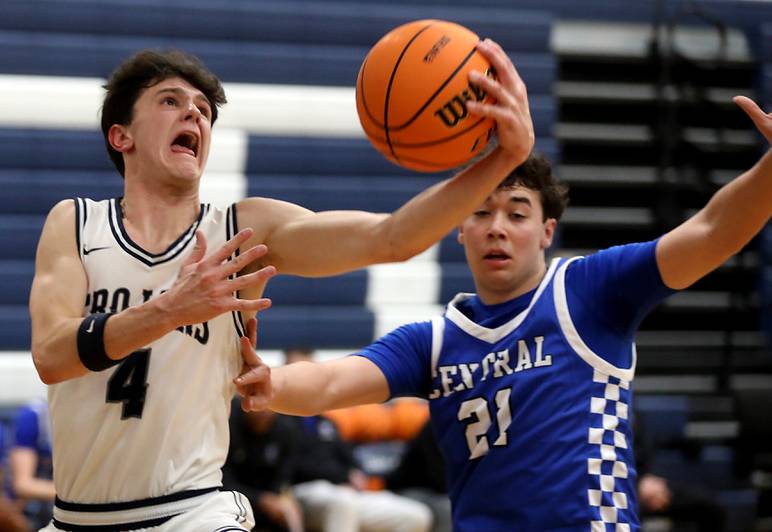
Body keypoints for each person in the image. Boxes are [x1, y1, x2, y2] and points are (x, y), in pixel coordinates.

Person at [237, 39, 772, 531]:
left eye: (516, 212)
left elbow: (710, 231)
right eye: (481, 213)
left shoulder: (587, 291)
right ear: (458, 230)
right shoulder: (434, 340)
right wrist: (271, 382)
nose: (497, 228)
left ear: (546, 231)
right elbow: (334, 380)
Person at [28, 36, 533, 531]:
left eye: (204, 109)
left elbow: (391, 238)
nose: (194, 115)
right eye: (170, 101)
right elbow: (51, 357)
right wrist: (168, 310)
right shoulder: (75, 223)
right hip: (77, 518)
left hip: (193, 513)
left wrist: (501, 161)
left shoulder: (245, 230)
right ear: (122, 136)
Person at [284, 348, 433, 532]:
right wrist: (343, 476)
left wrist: (357, 474)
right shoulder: (281, 422)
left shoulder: (326, 422)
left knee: (414, 516)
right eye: (297, 373)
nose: (304, 380)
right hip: (306, 492)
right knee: (343, 503)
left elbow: (347, 456)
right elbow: (295, 467)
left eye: (308, 373)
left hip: (344, 492)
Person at [223, 400, 304, 532]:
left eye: (270, 404)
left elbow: (284, 477)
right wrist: (261, 500)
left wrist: (277, 500)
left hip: (269, 501)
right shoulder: (230, 425)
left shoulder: (286, 430)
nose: (264, 410)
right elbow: (224, 481)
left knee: (290, 510)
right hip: (232, 500)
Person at [8, 399, 55, 530]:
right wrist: (81, 493)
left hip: (66, 503)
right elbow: (23, 485)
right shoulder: (35, 416)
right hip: (30, 510)